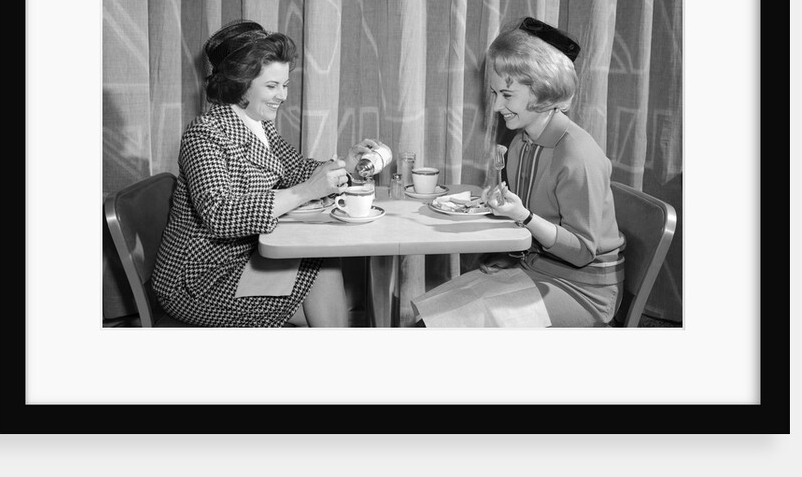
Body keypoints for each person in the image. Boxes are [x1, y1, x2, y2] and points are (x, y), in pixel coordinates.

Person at [152, 19, 378, 328]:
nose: (282, 96)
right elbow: (220, 213)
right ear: (240, 84)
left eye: (284, 85)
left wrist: (347, 166)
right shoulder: (204, 134)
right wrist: (305, 192)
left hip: (243, 258)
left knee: (323, 264)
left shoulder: (259, 124)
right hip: (200, 279)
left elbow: (297, 169)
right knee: (322, 272)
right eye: (271, 86)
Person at [414, 17, 625, 327]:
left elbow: (581, 251)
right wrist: (514, 249)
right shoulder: (520, 142)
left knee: (444, 324)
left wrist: (522, 216)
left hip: (585, 291)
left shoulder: (578, 154)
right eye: (495, 94)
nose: (498, 106)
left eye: (507, 95)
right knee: (430, 315)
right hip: (539, 268)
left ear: (542, 90)